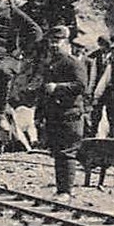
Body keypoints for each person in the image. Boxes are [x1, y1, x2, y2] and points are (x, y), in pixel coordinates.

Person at [37, 24, 89, 200]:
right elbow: (43, 91)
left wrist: (58, 87)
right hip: (55, 115)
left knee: (66, 153)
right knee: (58, 153)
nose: (53, 45)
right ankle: (61, 189)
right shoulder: (50, 63)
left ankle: (65, 191)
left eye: (57, 41)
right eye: (51, 41)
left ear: (67, 43)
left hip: (70, 115)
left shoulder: (73, 62)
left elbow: (81, 86)